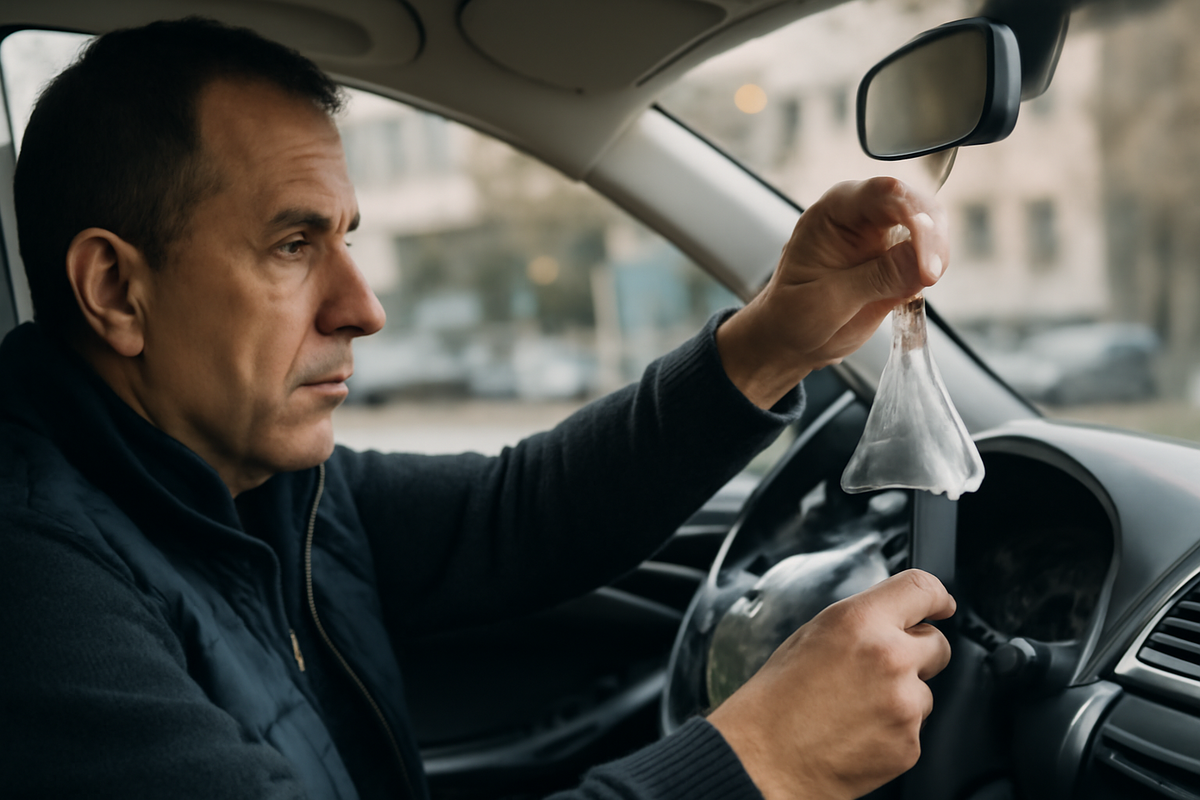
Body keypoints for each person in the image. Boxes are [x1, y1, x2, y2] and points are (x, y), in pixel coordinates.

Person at [0, 17, 954, 800]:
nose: (363, 308)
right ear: (118, 291)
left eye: (344, 239)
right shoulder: (40, 598)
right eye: (293, 244)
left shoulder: (261, 483)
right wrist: (758, 759)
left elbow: (521, 515)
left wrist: (779, 336)